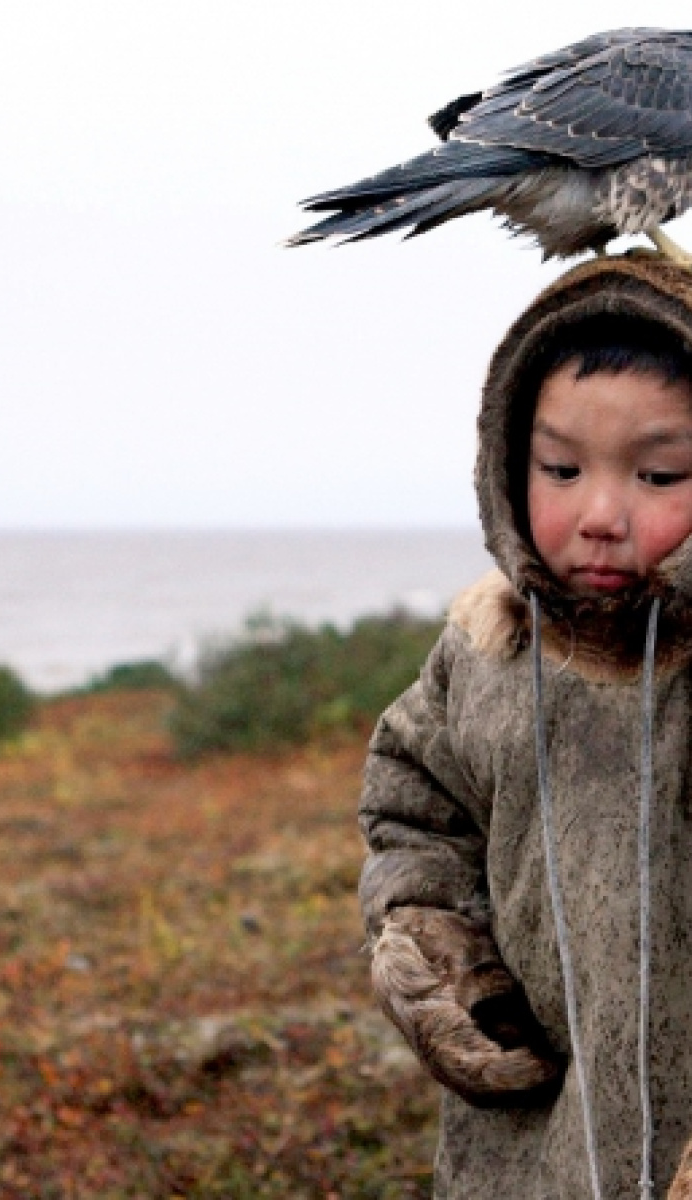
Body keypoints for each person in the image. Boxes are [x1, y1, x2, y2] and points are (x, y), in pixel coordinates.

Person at [359, 255, 692, 1199]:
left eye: (660, 473)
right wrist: (431, 941)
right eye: (561, 468)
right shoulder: (486, 652)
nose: (599, 514)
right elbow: (414, 807)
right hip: (531, 1144)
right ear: (509, 460)